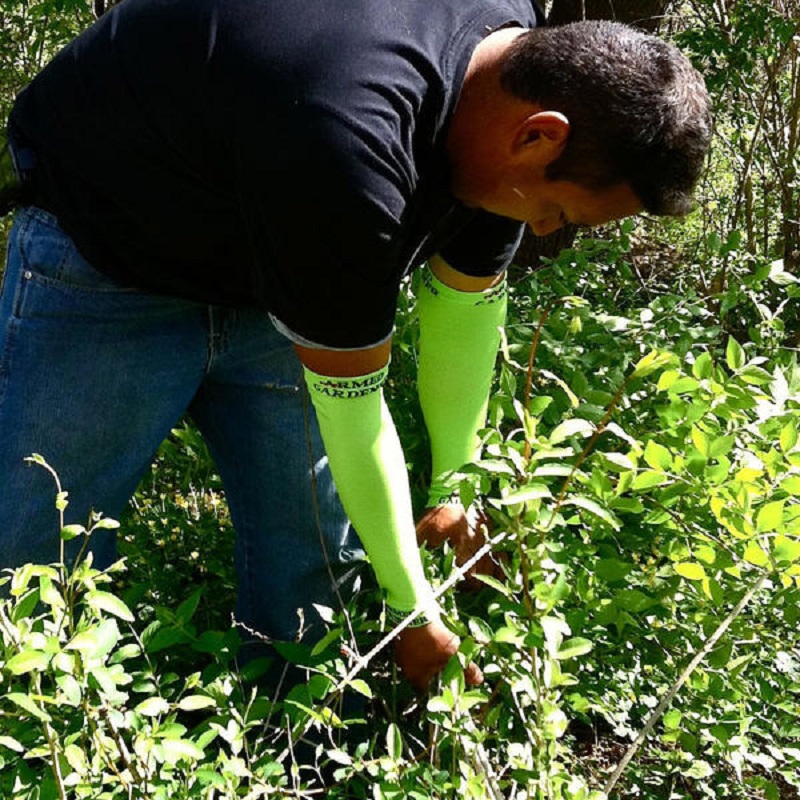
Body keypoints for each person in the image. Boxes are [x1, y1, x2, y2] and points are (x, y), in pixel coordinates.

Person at [0, 0, 711, 690]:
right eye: (557, 212)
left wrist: (457, 488)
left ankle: (292, 740)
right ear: (538, 137)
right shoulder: (345, 136)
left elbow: (464, 308)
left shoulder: (512, 76)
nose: (549, 231)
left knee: (312, 563)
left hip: (273, 246)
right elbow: (354, 409)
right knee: (32, 556)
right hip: (107, 252)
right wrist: (411, 610)